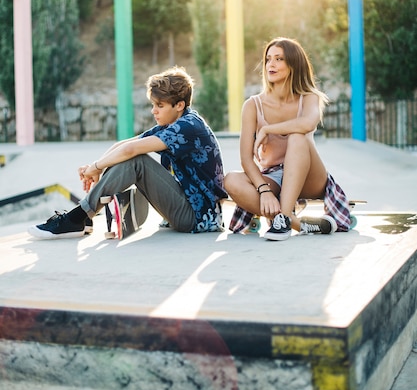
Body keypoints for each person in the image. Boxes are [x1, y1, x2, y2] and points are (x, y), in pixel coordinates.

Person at [29, 66, 227, 239]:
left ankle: (78, 217)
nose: (153, 111)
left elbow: (132, 151)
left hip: (198, 217)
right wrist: (96, 166)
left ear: (179, 105)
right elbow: (124, 144)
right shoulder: (175, 123)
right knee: (130, 156)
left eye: (160, 105)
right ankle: (83, 218)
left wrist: (97, 167)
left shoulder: (188, 126)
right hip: (189, 210)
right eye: (153, 105)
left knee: (136, 160)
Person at [225, 37, 351, 241]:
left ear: (293, 65)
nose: (270, 64)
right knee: (231, 180)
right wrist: (264, 191)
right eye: (268, 59)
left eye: (279, 59)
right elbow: (246, 159)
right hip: (273, 177)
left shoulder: (309, 98)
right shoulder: (253, 105)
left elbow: (307, 124)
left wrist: (268, 129)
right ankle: (291, 221)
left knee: (297, 137)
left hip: (309, 175)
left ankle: (281, 219)